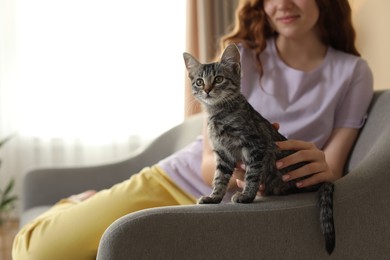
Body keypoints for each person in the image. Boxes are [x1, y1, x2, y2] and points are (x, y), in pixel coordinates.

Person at [12, 0, 373, 259]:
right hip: (179, 179)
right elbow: (207, 160)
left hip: (244, 206)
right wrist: (241, 171)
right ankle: (78, 201)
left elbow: (334, 167)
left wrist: (314, 168)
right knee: (33, 251)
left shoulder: (353, 73)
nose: (282, 4)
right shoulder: (240, 55)